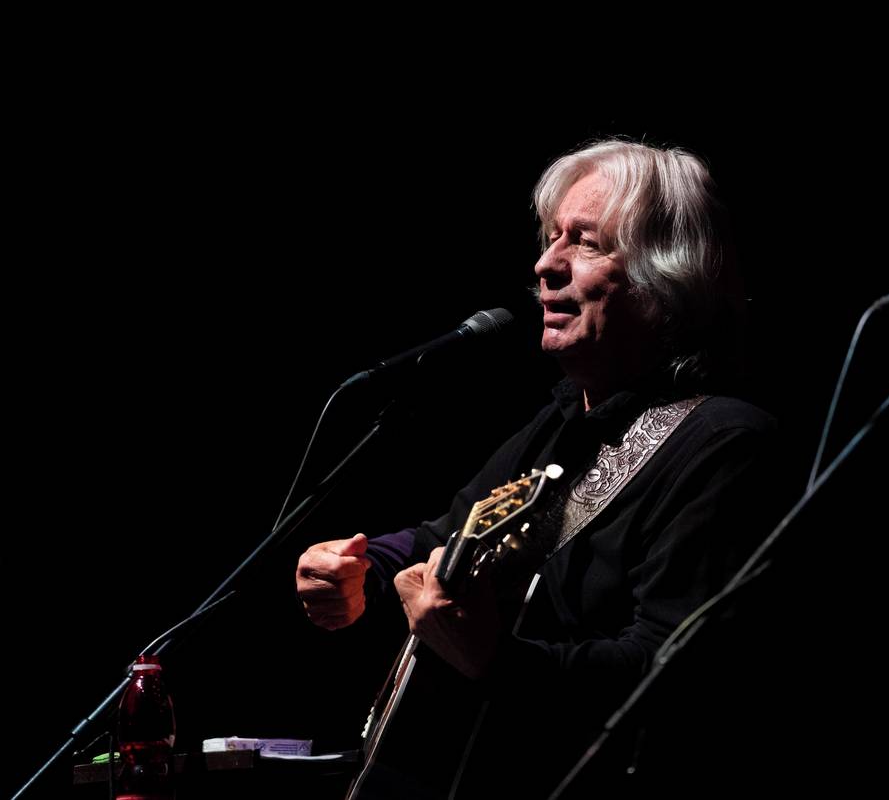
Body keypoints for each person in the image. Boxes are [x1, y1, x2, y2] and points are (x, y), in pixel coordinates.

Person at [295, 139, 782, 798]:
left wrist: (497, 662)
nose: (545, 264)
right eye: (551, 237)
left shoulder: (724, 443)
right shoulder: (556, 427)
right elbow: (442, 537)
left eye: (585, 242)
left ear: (666, 274)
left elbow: (671, 678)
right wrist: (360, 566)